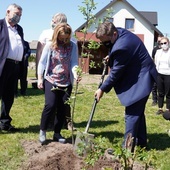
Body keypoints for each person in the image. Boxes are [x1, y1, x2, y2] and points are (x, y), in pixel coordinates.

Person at [94, 22, 157, 152]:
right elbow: (116, 51)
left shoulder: (122, 46)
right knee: (137, 113)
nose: (105, 45)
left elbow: (116, 72)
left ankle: (127, 150)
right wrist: (110, 57)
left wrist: (102, 89)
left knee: (132, 114)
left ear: (114, 34)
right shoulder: (120, 33)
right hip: (141, 74)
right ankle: (141, 143)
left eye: (105, 42)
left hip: (142, 79)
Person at [37, 23, 81, 144]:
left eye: (66, 37)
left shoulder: (73, 46)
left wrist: (76, 74)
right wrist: (40, 78)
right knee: (50, 105)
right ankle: (43, 131)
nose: (64, 40)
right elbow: (42, 62)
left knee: (62, 107)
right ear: (57, 34)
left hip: (66, 82)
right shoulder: (50, 45)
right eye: (62, 37)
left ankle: (57, 133)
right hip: (51, 79)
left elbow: (74, 63)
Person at [0, 3, 24, 132]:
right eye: (16, 14)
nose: (18, 17)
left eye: (20, 15)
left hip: (14, 66)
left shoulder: (19, 29)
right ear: (8, 11)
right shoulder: (0, 25)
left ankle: (4, 122)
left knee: (9, 96)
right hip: (2, 65)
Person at [155, 37, 170, 116]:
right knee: (160, 92)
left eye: (165, 43)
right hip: (160, 74)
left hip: (168, 74)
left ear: (168, 43)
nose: (164, 45)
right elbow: (156, 62)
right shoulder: (158, 52)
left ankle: (168, 109)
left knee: (168, 93)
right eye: (162, 43)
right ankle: (160, 108)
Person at [151, 35, 163, 106]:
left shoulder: (167, 49)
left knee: (162, 86)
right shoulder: (155, 49)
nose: (159, 42)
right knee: (154, 86)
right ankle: (154, 100)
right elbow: (153, 58)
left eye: (160, 41)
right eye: (158, 41)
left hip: (163, 70)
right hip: (156, 69)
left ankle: (161, 99)